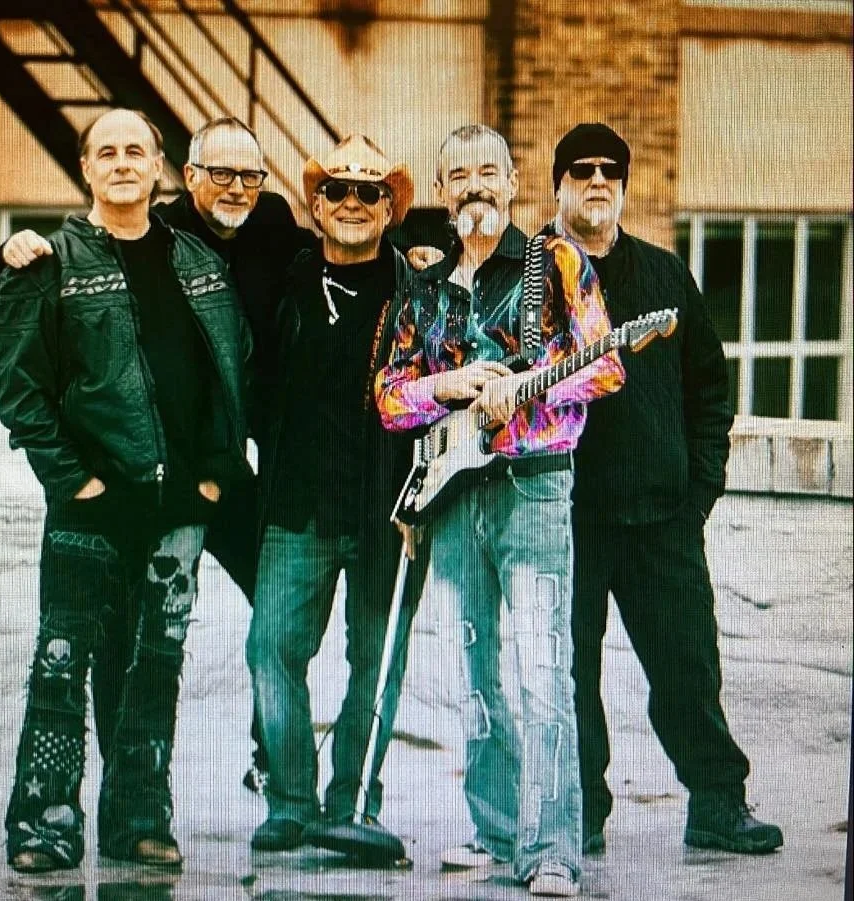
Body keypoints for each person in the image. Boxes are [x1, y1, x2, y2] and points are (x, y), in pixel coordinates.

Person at [0, 115, 314, 794]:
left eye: (248, 174)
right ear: (187, 175)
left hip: (215, 469)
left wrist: (417, 255)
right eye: (218, 172)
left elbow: (338, 256)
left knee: (273, 600)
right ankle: (100, 800)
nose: (234, 186)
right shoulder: (129, 242)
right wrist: (12, 250)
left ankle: (263, 758)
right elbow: (30, 365)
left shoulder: (259, 230)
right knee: (103, 642)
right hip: (124, 480)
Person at [375, 124, 625, 897]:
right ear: (444, 192)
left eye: (489, 171)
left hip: (536, 484)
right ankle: (492, 832)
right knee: (474, 672)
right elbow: (387, 397)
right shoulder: (424, 285)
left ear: (514, 182)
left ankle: (552, 848)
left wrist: (536, 381)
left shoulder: (556, 263)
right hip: (453, 494)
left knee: (542, 668)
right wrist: (443, 389)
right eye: (459, 175)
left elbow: (608, 363)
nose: (475, 186)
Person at [543, 122, 784, 856]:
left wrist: (698, 490)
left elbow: (710, 388)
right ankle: (578, 811)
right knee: (568, 674)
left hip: (660, 519)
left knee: (687, 663)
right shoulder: (531, 276)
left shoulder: (665, 273)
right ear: (557, 183)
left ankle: (717, 801)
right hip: (565, 517)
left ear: (623, 183)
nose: (596, 181)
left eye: (609, 170)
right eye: (580, 169)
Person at [245, 134, 428, 855]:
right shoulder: (283, 281)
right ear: (315, 205)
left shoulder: (422, 290)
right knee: (271, 650)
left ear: (391, 209)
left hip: (390, 512)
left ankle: (352, 800)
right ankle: (290, 799)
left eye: (369, 192)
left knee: (376, 663)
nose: (352, 203)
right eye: (338, 191)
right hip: (297, 506)